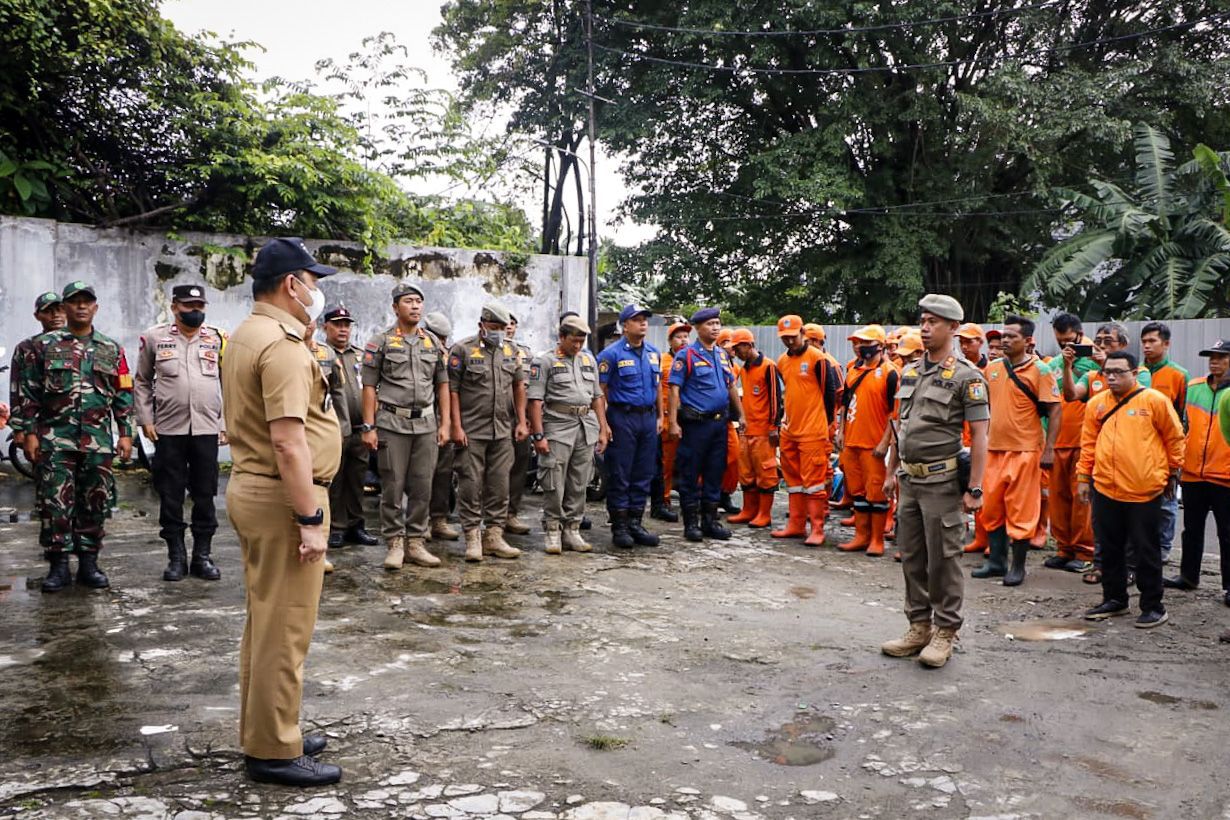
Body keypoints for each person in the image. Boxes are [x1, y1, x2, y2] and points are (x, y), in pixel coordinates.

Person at [217, 238, 342, 785]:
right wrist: (310, 520)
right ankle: (272, 750)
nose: (316, 291)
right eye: (312, 281)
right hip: (285, 497)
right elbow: (290, 443)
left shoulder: (248, 334)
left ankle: (269, 728)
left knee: (267, 622)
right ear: (292, 284)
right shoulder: (282, 346)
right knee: (285, 628)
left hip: (255, 487)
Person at [881, 294, 988, 668]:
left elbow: (980, 435)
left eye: (933, 322)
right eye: (923, 321)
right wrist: (891, 471)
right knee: (911, 556)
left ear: (953, 328)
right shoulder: (910, 371)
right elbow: (902, 427)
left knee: (944, 560)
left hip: (942, 483)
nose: (925, 329)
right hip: (910, 481)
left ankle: (945, 630)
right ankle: (919, 626)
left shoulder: (967, 377)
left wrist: (975, 487)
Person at [17, 281, 134, 592]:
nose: (81, 306)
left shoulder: (112, 348)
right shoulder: (43, 346)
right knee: (55, 503)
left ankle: (89, 564)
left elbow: (123, 392)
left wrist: (126, 433)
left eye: (87, 301)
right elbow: (29, 392)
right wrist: (28, 433)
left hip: (97, 441)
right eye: (74, 301)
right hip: (55, 439)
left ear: (95, 307)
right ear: (65, 307)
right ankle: (58, 566)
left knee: (95, 501)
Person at [1079, 351, 1184, 628]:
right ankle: (1115, 599)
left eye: (1119, 372)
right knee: (1109, 548)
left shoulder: (1154, 401)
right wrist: (1083, 477)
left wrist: (1172, 473)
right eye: (1107, 372)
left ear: (1135, 374)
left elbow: (1175, 438)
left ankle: (1153, 606)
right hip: (1105, 488)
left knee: (1145, 550)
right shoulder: (1097, 404)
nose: (1112, 377)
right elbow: (1088, 443)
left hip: (1144, 490)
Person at [135, 284, 227, 583]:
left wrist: (225, 422)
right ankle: (176, 557)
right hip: (168, 430)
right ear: (175, 307)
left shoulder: (218, 339)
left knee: (205, 494)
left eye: (199, 305)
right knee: (170, 494)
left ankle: (202, 556)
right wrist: (145, 419)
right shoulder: (155, 337)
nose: (195, 311)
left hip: (206, 428)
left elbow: (229, 382)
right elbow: (142, 381)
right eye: (188, 306)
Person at [362, 283, 451, 570]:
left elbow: (443, 384)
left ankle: (415, 543)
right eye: (408, 301)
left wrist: (445, 423)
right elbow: (369, 386)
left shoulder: (432, 343)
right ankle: (395, 543)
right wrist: (369, 426)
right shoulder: (381, 342)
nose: (415, 306)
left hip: (425, 424)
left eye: (418, 302)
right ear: (395, 307)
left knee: (423, 486)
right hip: (392, 423)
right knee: (392, 486)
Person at [971, 315, 1060, 587]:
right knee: (991, 507)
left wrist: (1049, 449)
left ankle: (1018, 567)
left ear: (1028, 341)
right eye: (1003, 336)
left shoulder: (1040, 371)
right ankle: (996, 562)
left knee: (1021, 511)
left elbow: (1055, 410)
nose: (1005, 340)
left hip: (1025, 450)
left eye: (1012, 336)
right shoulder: (993, 368)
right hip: (994, 449)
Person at [449, 302, 527, 562]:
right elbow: (452, 390)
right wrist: (456, 426)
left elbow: (518, 386)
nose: (498, 332)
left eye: (503, 328)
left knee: (500, 485)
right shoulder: (462, 349)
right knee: (470, 485)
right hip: (471, 431)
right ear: (482, 325)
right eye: (494, 327)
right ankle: (472, 537)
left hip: (502, 430)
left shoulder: (511, 350)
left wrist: (521, 421)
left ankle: (494, 536)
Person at [526, 315, 610, 554]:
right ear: (561, 337)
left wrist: (603, 428)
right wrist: (538, 435)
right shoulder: (544, 361)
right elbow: (535, 401)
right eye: (574, 340)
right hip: (557, 425)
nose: (578, 345)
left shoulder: (588, 359)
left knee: (580, 480)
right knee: (553, 480)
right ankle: (553, 529)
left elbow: (597, 396)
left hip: (585, 425)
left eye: (581, 341)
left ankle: (572, 529)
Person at [668, 307, 745, 542]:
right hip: (696, 425)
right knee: (690, 473)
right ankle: (691, 523)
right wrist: (672, 422)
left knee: (715, 471)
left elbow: (731, 386)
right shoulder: (687, 355)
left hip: (719, 424)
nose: (715, 328)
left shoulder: (721, 355)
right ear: (698, 328)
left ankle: (710, 521)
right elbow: (674, 389)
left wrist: (741, 415)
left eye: (717, 323)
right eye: (710, 324)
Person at [1164, 339, 1230, 602]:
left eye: (1221, 357)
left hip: (1225, 474)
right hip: (1193, 473)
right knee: (1191, 529)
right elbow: (1183, 426)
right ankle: (1188, 576)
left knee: (1227, 534)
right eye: (1211, 357)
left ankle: (1229, 586)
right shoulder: (1193, 387)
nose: (1214, 362)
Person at [597, 304, 663, 548]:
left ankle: (636, 522)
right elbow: (599, 392)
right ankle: (620, 526)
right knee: (620, 473)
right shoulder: (611, 355)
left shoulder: (653, 353)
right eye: (637, 320)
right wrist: (603, 425)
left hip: (648, 418)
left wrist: (661, 416)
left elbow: (657, 386)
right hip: (622, 417)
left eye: (645, 319)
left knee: (644, 472)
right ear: (625, 326)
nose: (643, 323)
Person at [771, 315, 839, 546]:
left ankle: (817, 529)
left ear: (802, 333)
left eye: (793, 336)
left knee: (815, 483)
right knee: (793, 481)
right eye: (785, 338)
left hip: (813, 430)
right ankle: (796, 525)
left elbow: (829, 393)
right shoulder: (782, 361)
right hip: (790, 429)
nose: (789, 341)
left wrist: (827, 423)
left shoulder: (818, 359)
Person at [7, 291, 67, 548]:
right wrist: (20, 429)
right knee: (50, 493)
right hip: (44, 431)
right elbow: (18, 390)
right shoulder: (27, 348)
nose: (56, 315)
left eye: (59, 309)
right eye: (49, 311)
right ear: (37, 316)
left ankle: (83, 551)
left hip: (80, 432)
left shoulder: (81, 343)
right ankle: (55, 549)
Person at [834, 325, 898, 556]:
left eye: (866, 342)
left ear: (880, 345)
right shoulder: (853, 371)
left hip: (874, 445)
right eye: (858, 343)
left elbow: (895, 413)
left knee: (877, 494)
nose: (861, 347)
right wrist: (841, 431)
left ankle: (876, 540)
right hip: (851, 442)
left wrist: (885, 442)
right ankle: (861, 536)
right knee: (858, 492)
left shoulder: (890, 373)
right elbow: (845, 404)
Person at [1043, 313, 1099, 573]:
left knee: (1082, 500)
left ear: (1079, 334)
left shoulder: (1098, 359)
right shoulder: (1054, 364)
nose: (1065, 344)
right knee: (1058, 499)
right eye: (1059, 340)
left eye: (1068, 339)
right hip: (1057, 440)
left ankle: (1085, 551)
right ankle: (1063, 548)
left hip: (1084, 441)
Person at [320, 306, 377, 550]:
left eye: (346, 325)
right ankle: (336, 527)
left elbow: (371, 387)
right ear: (325, 327)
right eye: (337, 324)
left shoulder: (360, 356)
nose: (343, 329)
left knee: (357, 479)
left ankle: (356, 525)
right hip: (333, 429)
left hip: (359, 428)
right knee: (335, 480)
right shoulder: (320, 354)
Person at [1141, 321, 1189, 562]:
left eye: (1152, 341)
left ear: (1166, 343)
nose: (1147, 346)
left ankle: (1163, 548)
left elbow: (1183, 416)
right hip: (1139, 447)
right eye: (1144, 341)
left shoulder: (1178, 375)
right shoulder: (1135, 371)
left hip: (1165, 446)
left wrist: (1177, 455)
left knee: (1166, 502)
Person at [727, 328, 782, 528]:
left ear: (749, 345)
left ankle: (764, 514)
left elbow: (776, 398)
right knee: (746, 472)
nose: (736, 353)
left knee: (765, 472)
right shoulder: (744, 370)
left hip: (764, 431)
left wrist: (774, 426)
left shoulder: (768, 366)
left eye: (738, 348)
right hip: (746, 429)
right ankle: (749, 510)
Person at [423, 311, 461, 541]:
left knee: (443, 472)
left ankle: (439, 518)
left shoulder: (448, 356)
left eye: (444, 338)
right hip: (422, 418)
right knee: (421, 473)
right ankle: (422, 522)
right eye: (439, 337)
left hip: (443, 419)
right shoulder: (419, 350)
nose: (442, 342)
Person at [651, 321, 691, 522]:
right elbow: (656, 389)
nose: (683, 340)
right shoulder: (662, 361)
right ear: (670, 340)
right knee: (666, 463)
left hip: (690, 419)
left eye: (686, 336)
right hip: (668, 419)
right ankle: (664, 500)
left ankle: (690, 500)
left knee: (689, 462)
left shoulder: (693, 358)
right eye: (678, 337)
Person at [504, 314, 535, 536]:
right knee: (494, 467)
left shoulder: (525, 353)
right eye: (505, 323)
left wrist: (529, 418)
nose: (508, 327)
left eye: (512, 324)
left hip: (520, 416)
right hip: (495, 414)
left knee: (520, 463)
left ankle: (511, 514)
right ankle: (491, 515)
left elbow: (531, 386)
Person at [716, 328, 743, 514]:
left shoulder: (736, 368)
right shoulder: (712, 363)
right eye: (727, 342)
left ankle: (725, 494)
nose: (732, 346)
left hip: (727, 418)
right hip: (711, 417)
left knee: (733, 457)